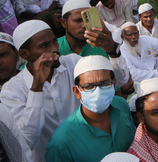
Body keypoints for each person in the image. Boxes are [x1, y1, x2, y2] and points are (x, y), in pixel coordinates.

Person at [0, 19, 129, 161]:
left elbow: (120, 80)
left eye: (54, 42)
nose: (55, 49)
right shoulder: (12, 91)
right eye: (44, 46)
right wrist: (36, 88)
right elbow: (26, 140)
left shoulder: (72, 63)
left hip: (90, 150)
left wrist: (113, 51)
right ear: (24, 54)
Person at [45, 56, 135, 162]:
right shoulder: (61, 143)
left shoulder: (121, 105)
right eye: (89, 87)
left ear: (114, 84)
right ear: (77, 92)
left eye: (104, 84)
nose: (98, 92)